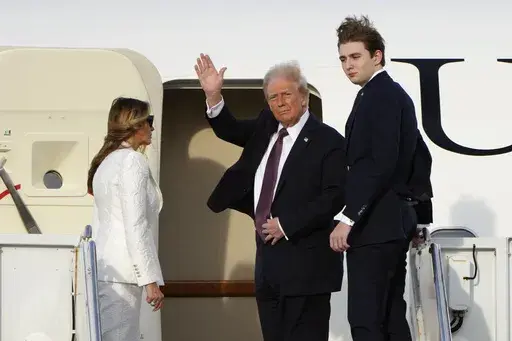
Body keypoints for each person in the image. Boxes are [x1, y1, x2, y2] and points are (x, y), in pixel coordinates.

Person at [194, 53, 346, 341]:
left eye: (286, 94)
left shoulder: (329, 141)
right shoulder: (266, 128)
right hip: (268, 266)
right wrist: (213, 95)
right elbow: (230, 129)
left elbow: (334, 197)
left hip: (306, 266)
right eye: (273, 97)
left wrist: (286, 224)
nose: (280, 102)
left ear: (304, 97)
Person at [329, 15, 419, 341]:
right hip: (393, 225)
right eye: (342, 59)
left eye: (355, 57)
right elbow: (419, 158)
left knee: (366, 320)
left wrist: (348, 217)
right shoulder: (391, 94)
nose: (348, 66)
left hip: (375, 227)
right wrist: (417, 217)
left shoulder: (379, 96)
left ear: (376, 56)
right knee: (392, 314)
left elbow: (379, 163)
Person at [88, 97, 165, 341]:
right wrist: (149, 278)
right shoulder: (133, 161)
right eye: (149, 121)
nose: (152, 127)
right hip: (123, 273)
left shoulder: (106, 162)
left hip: (104, 268)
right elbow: (135, 223)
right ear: (135, 124)